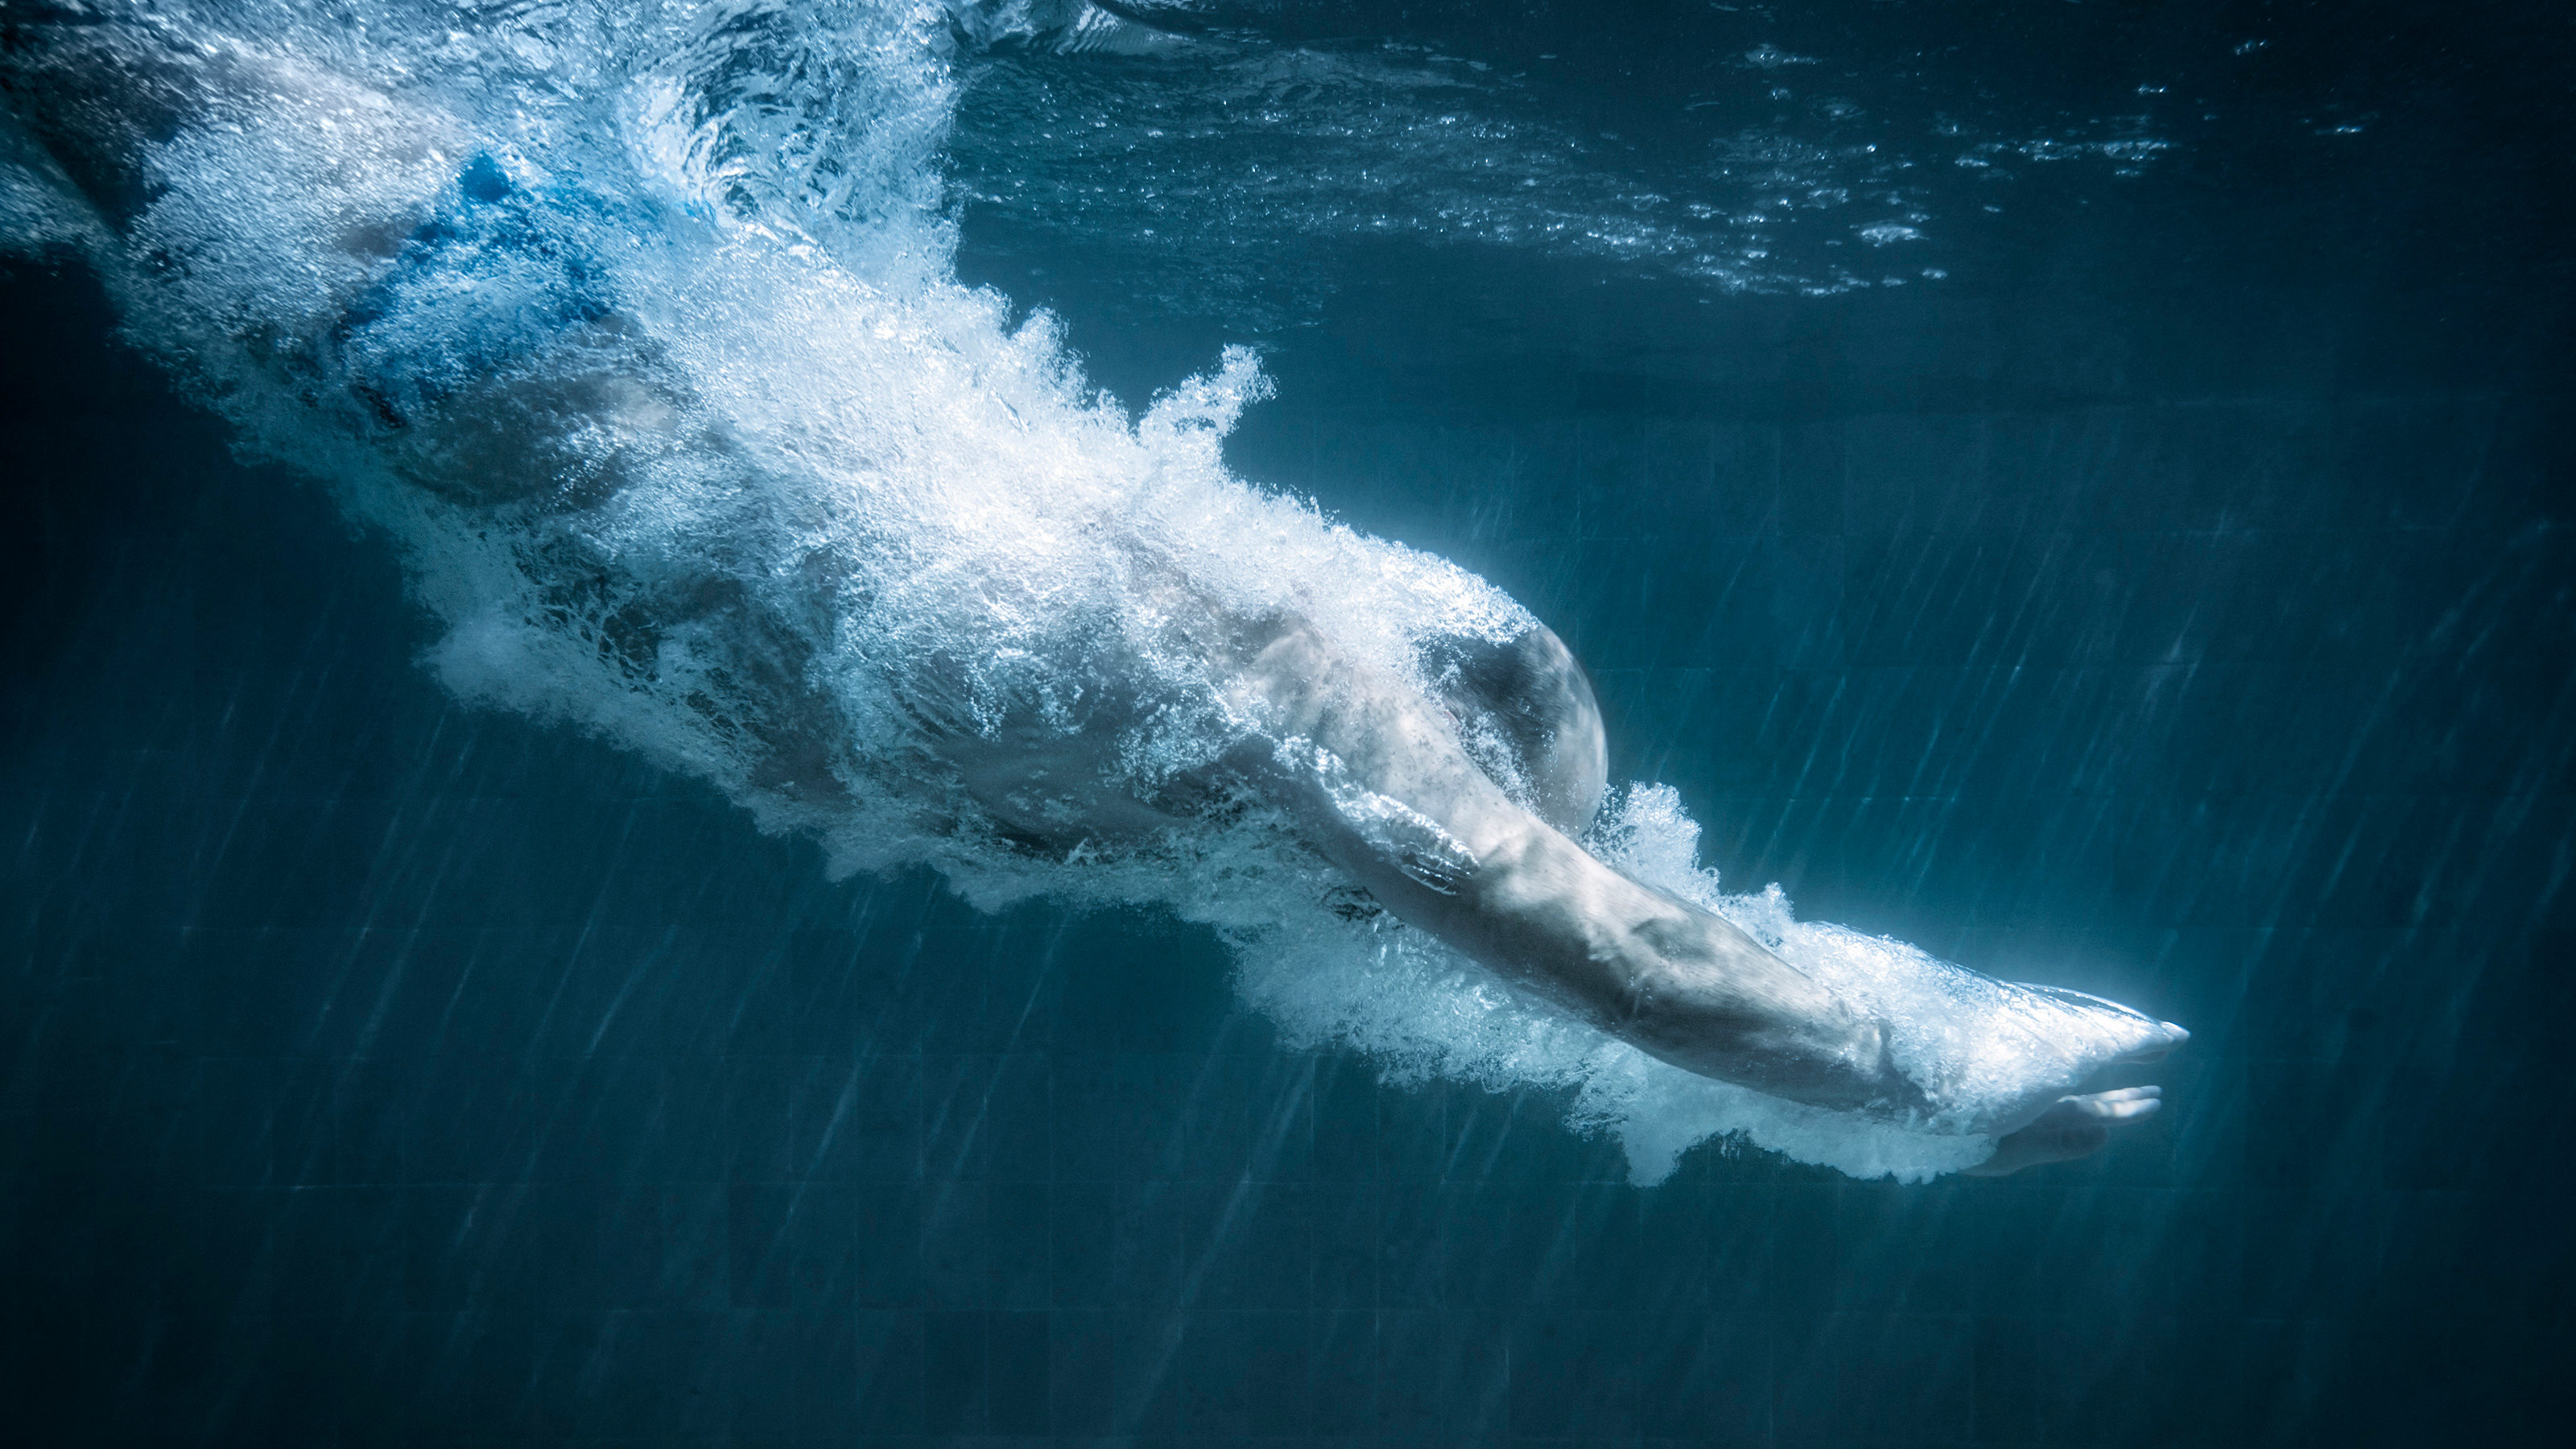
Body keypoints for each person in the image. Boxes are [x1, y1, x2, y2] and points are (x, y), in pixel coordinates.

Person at [3, 4, 2182, 1175]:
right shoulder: (1293, 683)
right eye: (1492, 799)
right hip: (474, 309)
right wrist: (1922, 1066)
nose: (1419, 879)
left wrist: (1872, 1128)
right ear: (1454, 709)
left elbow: (1539, 997)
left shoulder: (1230, 800)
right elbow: (1592, 949)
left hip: (462, 359)